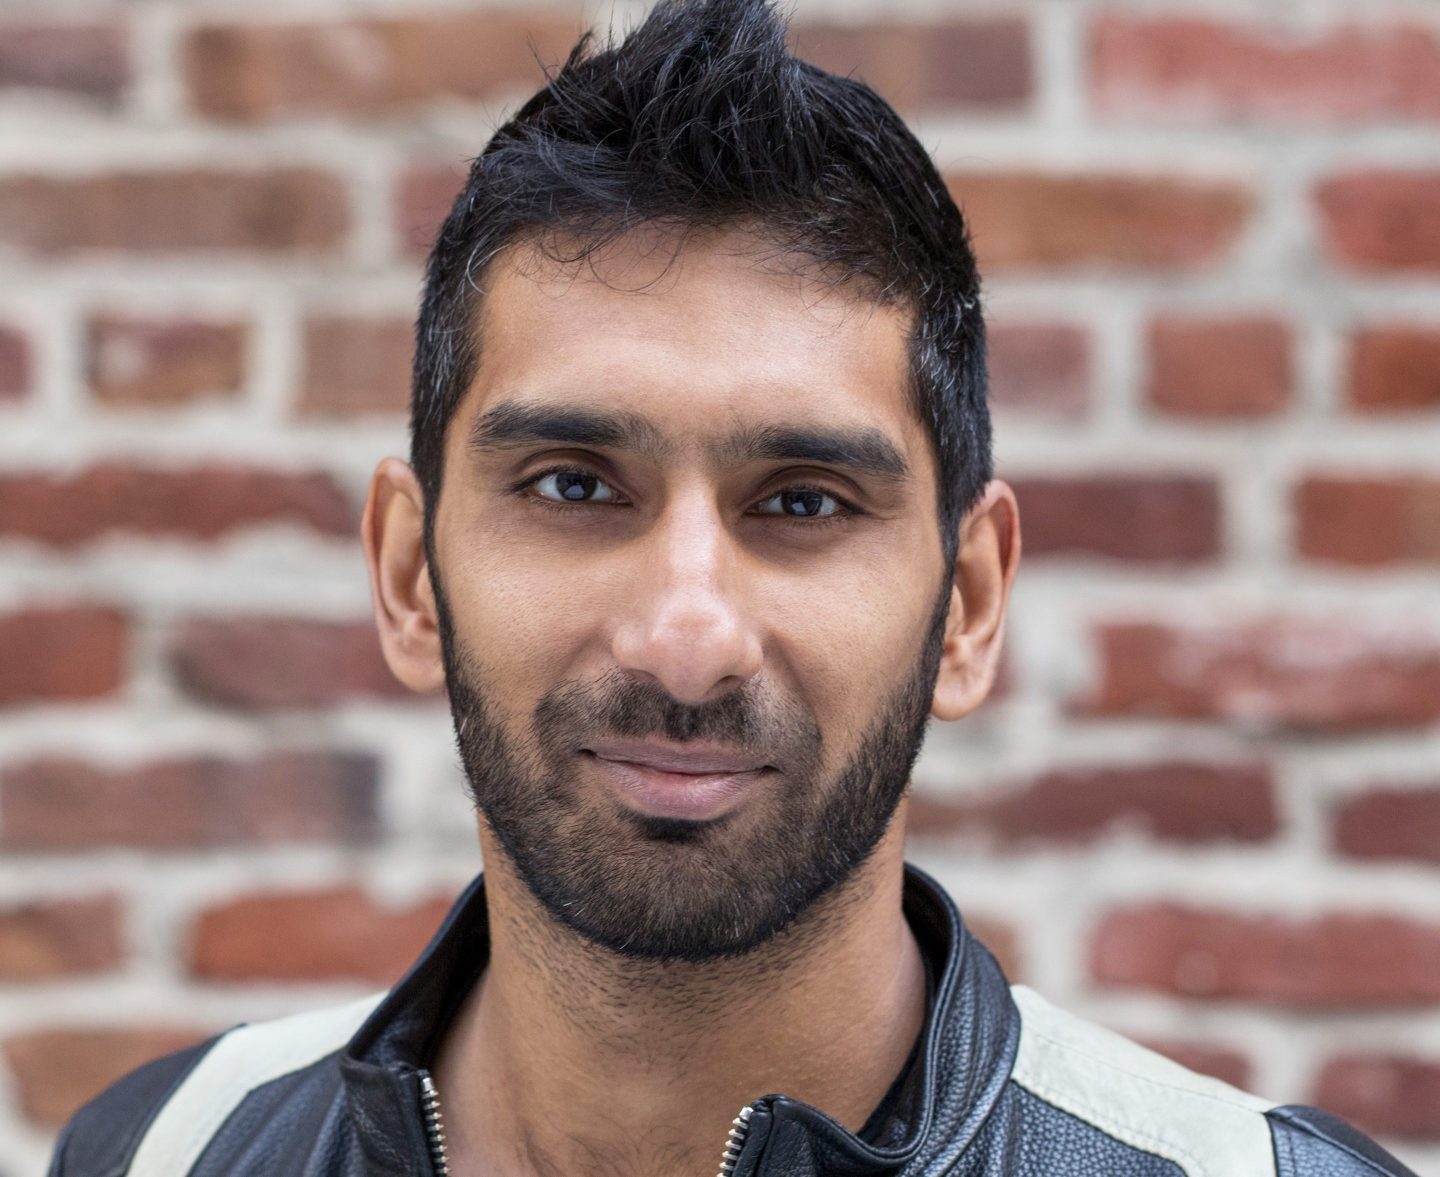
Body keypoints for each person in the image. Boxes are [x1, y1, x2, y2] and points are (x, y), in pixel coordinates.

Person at [47, 0, 1417, 1174]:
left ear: (972, 603)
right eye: (575, 485)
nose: (686, 638)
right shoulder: (166, 1145)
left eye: (804, 501)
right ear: (409, 572)